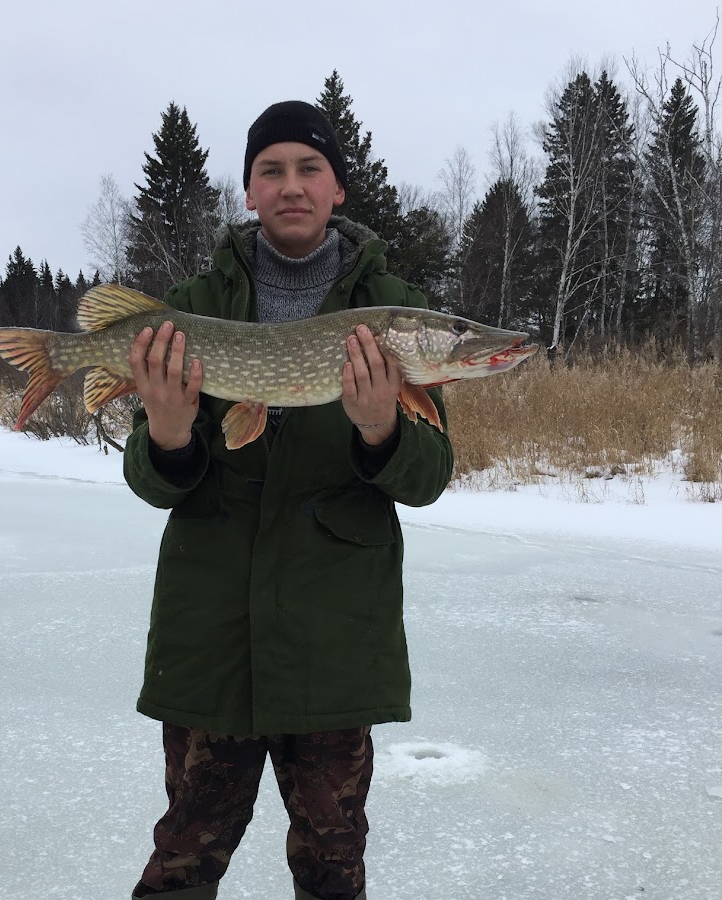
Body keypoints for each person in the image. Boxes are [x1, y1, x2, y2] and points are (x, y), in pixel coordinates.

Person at [123, 101, 454, 900]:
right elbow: (149, 478)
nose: (291, 185)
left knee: (333, 870)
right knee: (182, 865)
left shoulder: (393, 310)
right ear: (248, 192)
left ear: (339, 187)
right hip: (213, 642)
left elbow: (429, 474)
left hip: (332, 646)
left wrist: (381, 430)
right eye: (271, 170)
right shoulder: (192, 304)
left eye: (309, 169)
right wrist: (168, 433)